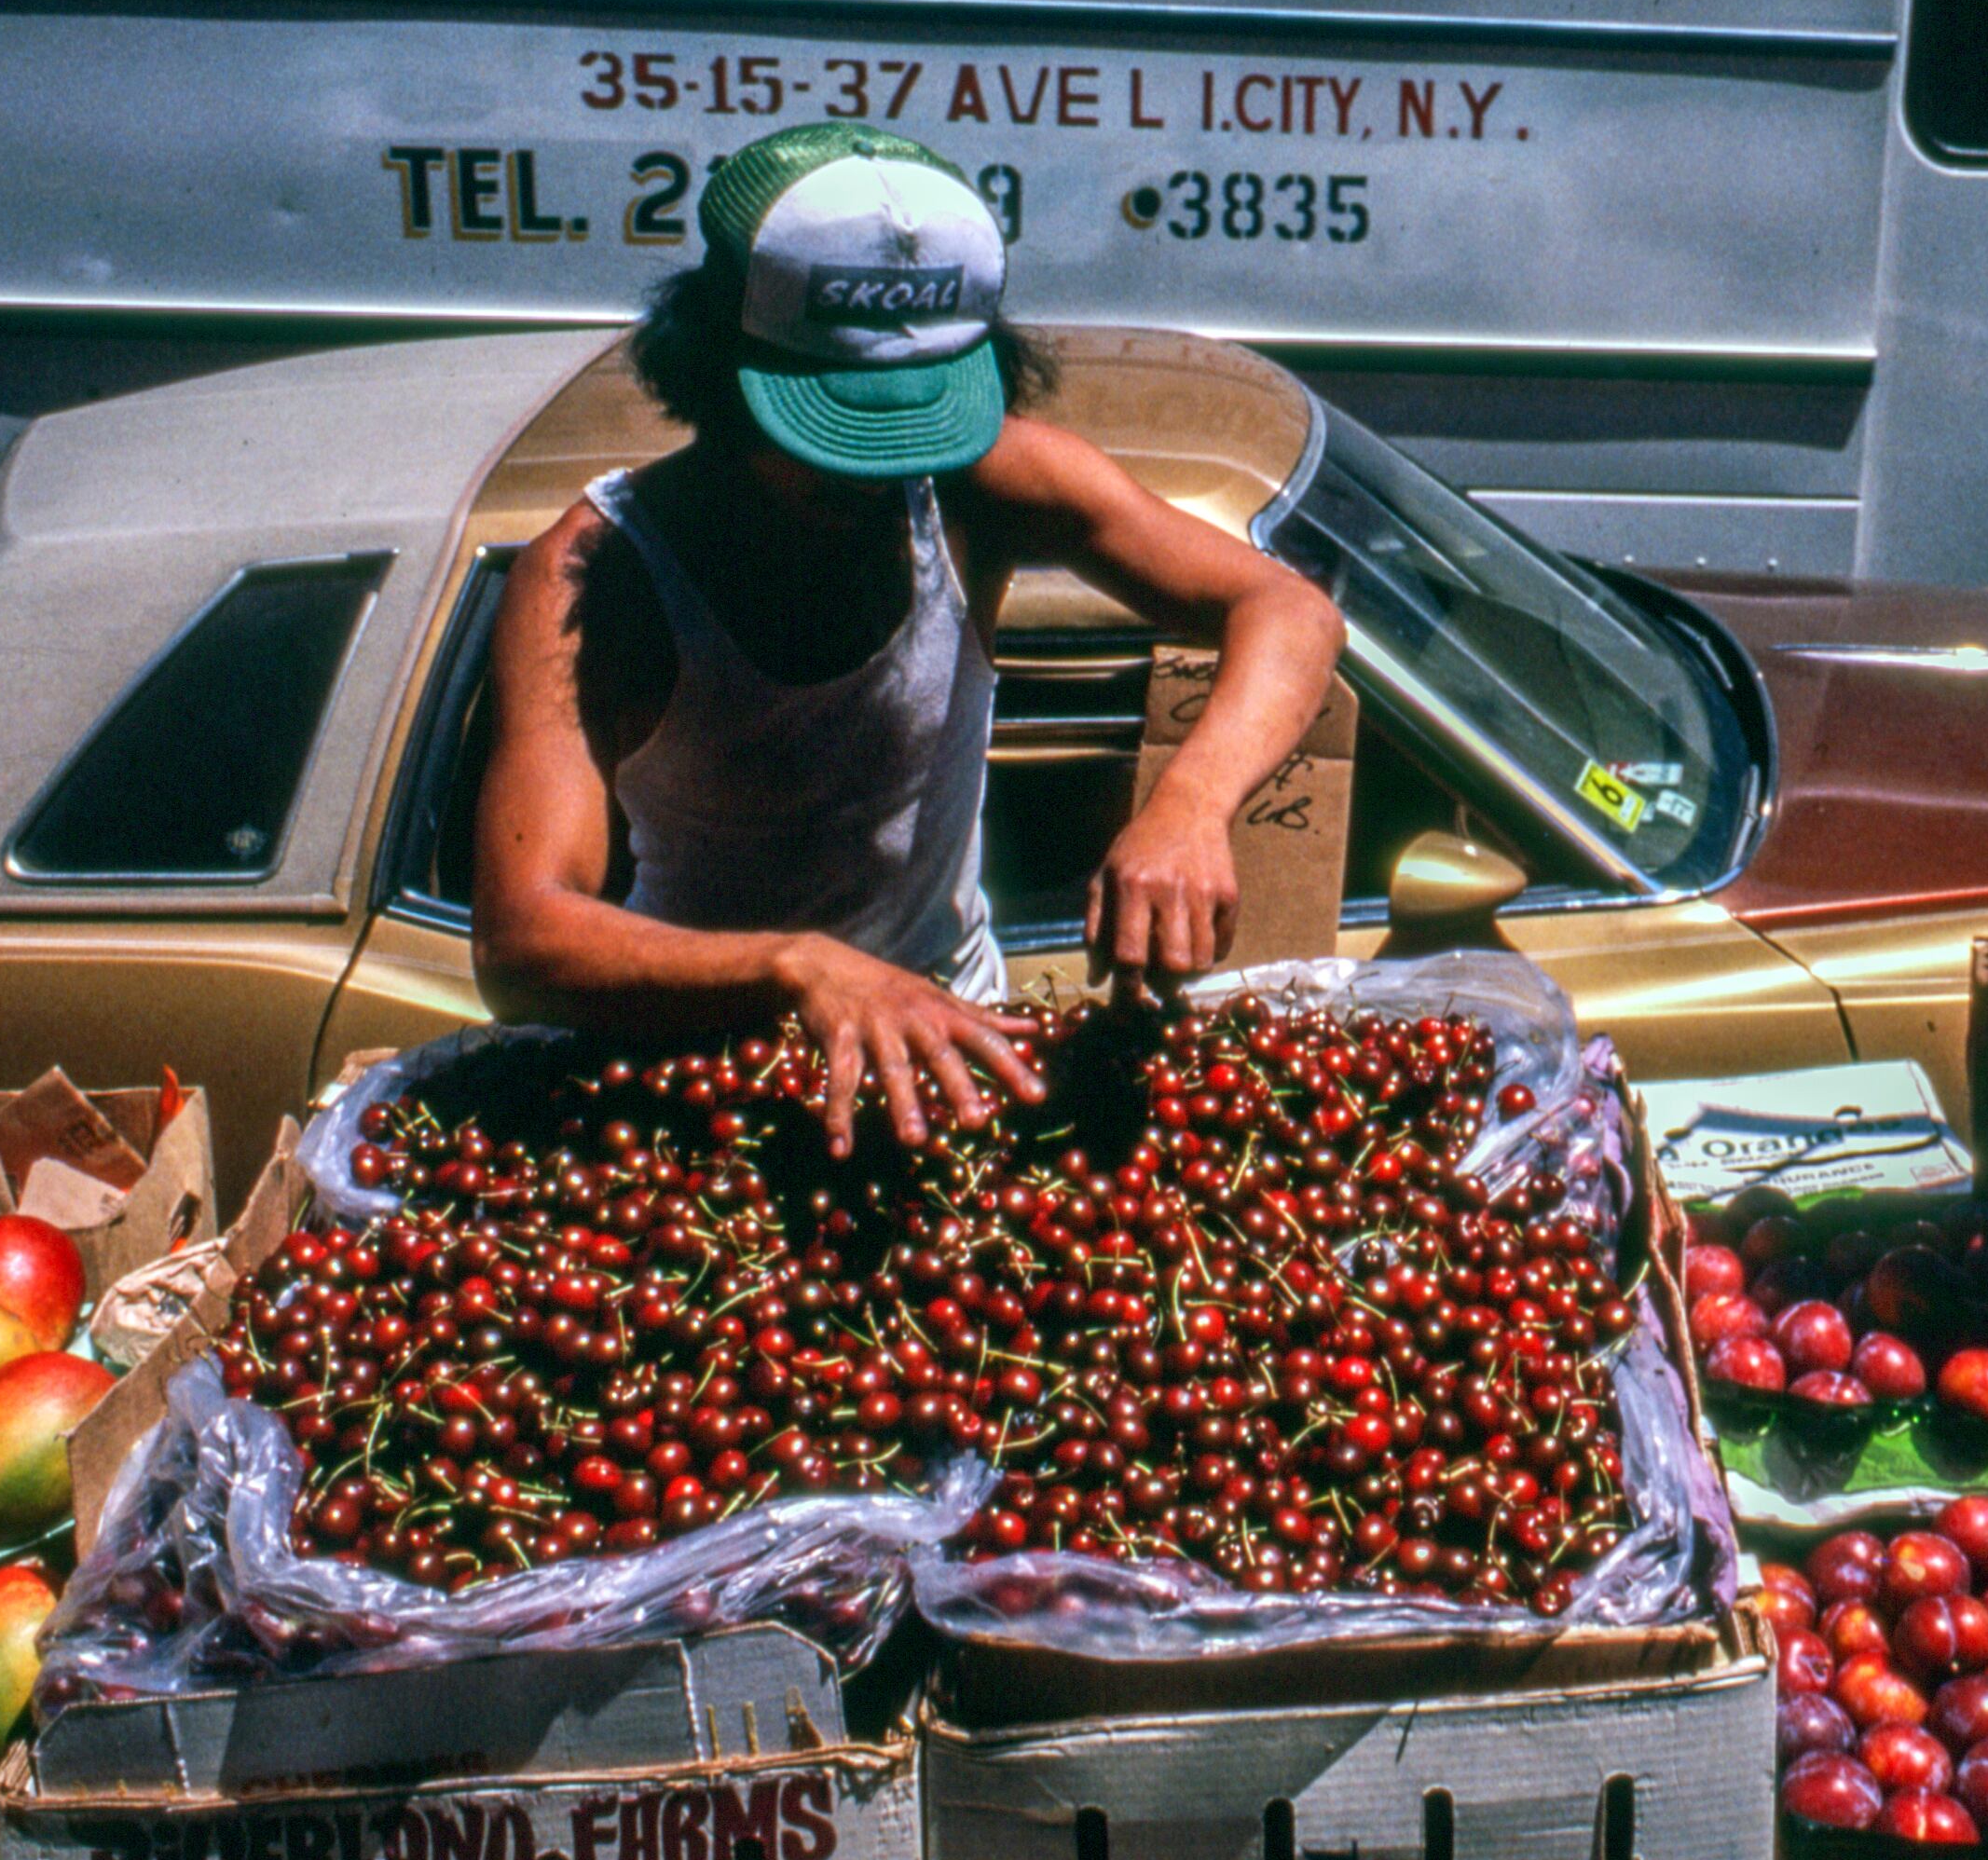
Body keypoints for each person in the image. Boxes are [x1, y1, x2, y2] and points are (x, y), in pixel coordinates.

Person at [473, 121, 1342, 1151]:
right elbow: (522, 937)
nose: (876, 476)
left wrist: (1190, 806)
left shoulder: (984, 489)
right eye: (834, 439)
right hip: (710, 1068)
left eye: (908, 434)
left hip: (955, 1038)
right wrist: (795, 966)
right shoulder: (600, 575)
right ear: (715, 368)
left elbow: (1287, 610)